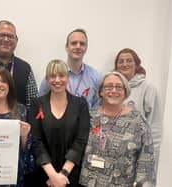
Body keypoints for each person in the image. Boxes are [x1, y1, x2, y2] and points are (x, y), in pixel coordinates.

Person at [79, 71, 156, 187]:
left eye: (119, 87)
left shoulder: (137, 121)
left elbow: (146, 161)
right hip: (87, 183)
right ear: (101, 91)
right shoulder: (89, 116)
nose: (114, 90)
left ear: (125, 92)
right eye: (109, 86)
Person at [28, 59, 90, 187]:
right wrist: (52, 175)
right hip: (44, 174)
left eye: (61, 75)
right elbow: (36, 141)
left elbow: (81, 140)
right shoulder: (36, 104)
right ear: (47, 79)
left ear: (68, 78)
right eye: (52, 76)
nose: (57, 80)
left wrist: (62, 174)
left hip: (70, 175)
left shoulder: (80, 104)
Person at [113, 48, 162, 170]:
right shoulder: (111, 88)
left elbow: (155, 126)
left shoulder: (148, 88)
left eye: (129, 60)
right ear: (116, 66)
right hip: (113, 154)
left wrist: (150, 157)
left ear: (136, 64)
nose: (124, 64)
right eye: (121, 61)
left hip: (136, 155)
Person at [39, 29, 102, 108]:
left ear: (86, 48)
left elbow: (97, 107)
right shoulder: (53, 75)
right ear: (66, 47)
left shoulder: (96, 77)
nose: (78, 47)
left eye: (82, 44)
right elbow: (41, 102)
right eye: (74, 43)